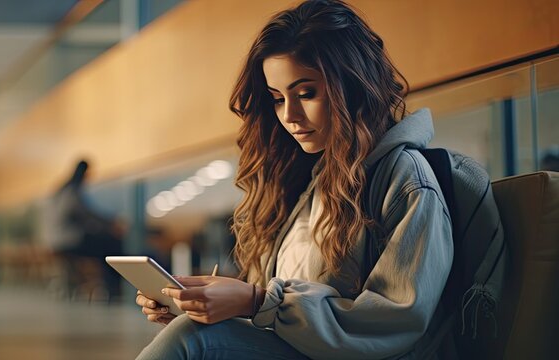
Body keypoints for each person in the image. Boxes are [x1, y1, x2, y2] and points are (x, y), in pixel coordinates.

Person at [135, 1, 462, 358]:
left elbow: (396, 322)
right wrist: (202, 306)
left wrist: (256, 300)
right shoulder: (315, 180)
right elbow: (279, 312)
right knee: (191, 331)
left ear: (352, 86)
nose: (289, 116)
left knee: (192, 340)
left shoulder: (408, 181)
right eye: (277, 99)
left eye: (306, 93)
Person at [42, 160, 122, 300]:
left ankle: (111, 289)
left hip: (54, 241)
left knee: (105, 245)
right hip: (69, 241)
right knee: (111, 246)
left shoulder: (60, 191)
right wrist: (110, 223)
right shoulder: (72, 191)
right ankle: (112, 290)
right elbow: (85, 214)